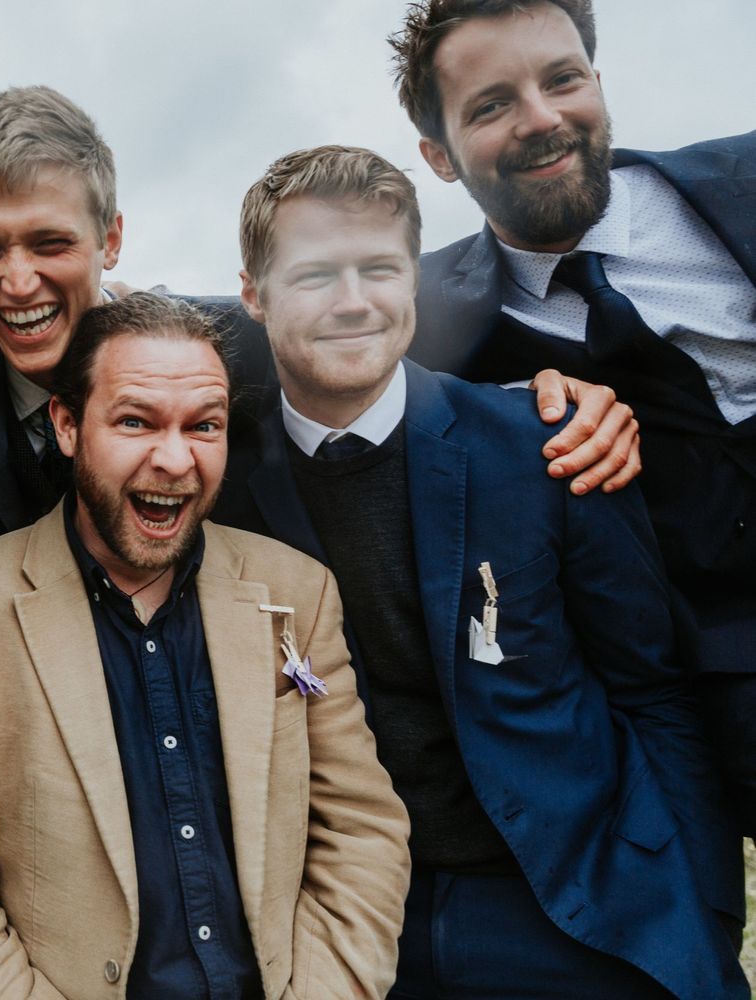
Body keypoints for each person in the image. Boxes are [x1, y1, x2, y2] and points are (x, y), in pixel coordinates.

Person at [218, 144, 743, 998]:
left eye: (380, 269)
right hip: (350, 924)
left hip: (581, 909)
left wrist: (708, 915)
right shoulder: (213, 481)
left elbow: (652, 691)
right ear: (253, 294)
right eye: (314, 275)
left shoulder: (548, 442)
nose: (353, 302)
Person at [0, 292, 412, 999]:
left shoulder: (297, 592)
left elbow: (362, 832)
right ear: (67, 425)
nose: (174, 458)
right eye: (135, 421)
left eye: (204, 425)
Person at [0, 85, 638, 549]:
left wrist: (548, 395)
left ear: (111, 239)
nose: (18, 283)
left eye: (51, 243)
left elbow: (387, 361)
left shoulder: (237, 342)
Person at [390, 0, 756, 825]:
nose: (542, 118)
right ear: (438, 156)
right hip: (721, 694)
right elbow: (269, 321)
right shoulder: (418, 313)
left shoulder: (744, 177)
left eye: (562, 80)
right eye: (492, 104)